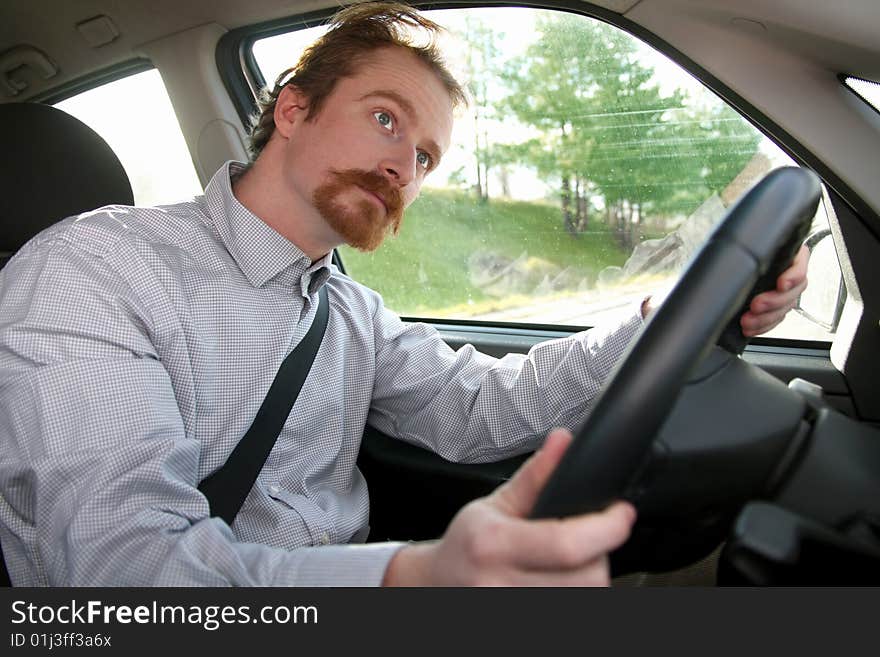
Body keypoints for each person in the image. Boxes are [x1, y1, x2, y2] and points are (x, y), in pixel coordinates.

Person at [0, 2, 807, 587]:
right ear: (293, 108)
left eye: (425, 158)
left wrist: (660, 318)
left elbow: (488, 407)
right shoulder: (92, 270)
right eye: (386, 120)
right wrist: (411, 582)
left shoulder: (351, 314)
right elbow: (123, 578)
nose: (403, 169)